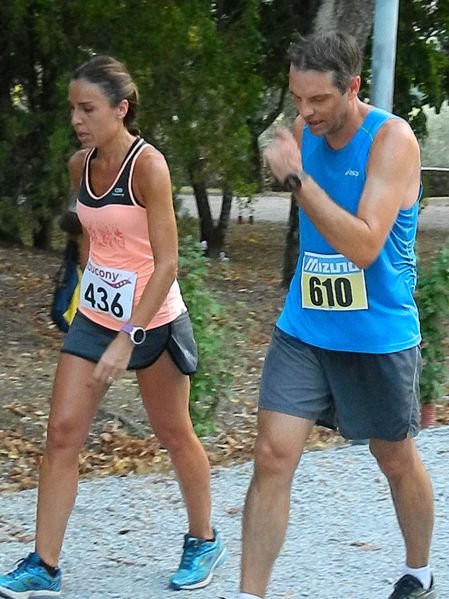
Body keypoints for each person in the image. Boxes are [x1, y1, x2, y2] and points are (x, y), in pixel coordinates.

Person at [0, 55, 226, 598]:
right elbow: (90, 234)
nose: (77, 119)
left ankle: (203, 539)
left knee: (173, 433)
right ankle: (44, 564)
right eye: (72, 109)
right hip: (95, 315)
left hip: (152, 318)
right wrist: (73, 283)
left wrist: (131, 335)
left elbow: (167, 261)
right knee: (61, 434)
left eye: (89, 108)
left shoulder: (149, 166)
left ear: (121, 109)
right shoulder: (80, 166)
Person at [238, 31, 436, 599]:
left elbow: (366, 245)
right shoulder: (306, 130)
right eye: (297, 99)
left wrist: (297, 179)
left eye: (318, 100)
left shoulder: (391, 140)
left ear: (351, 87)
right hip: (305, 328)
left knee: (394, 457)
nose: (305, 112)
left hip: (376, 336)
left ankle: (419, 573)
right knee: (272, 456)